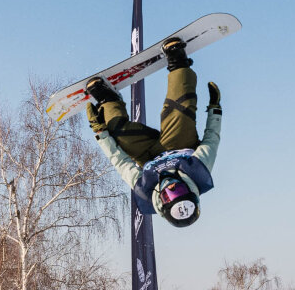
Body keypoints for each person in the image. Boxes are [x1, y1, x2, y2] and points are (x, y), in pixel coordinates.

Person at [86, 37, 221, 227]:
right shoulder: (198, 170)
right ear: (190, 189)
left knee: (118, 136)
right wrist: (215, 109)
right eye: (179, 190)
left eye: (169, 194)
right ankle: (178, 62)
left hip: (148, 155)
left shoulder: (144, 188)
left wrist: (101, 132)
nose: (171, 186)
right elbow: (211, 140)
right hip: (180, 144)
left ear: (161, 201)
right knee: (179, 111)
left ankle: (108, 100)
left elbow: (120, 161)